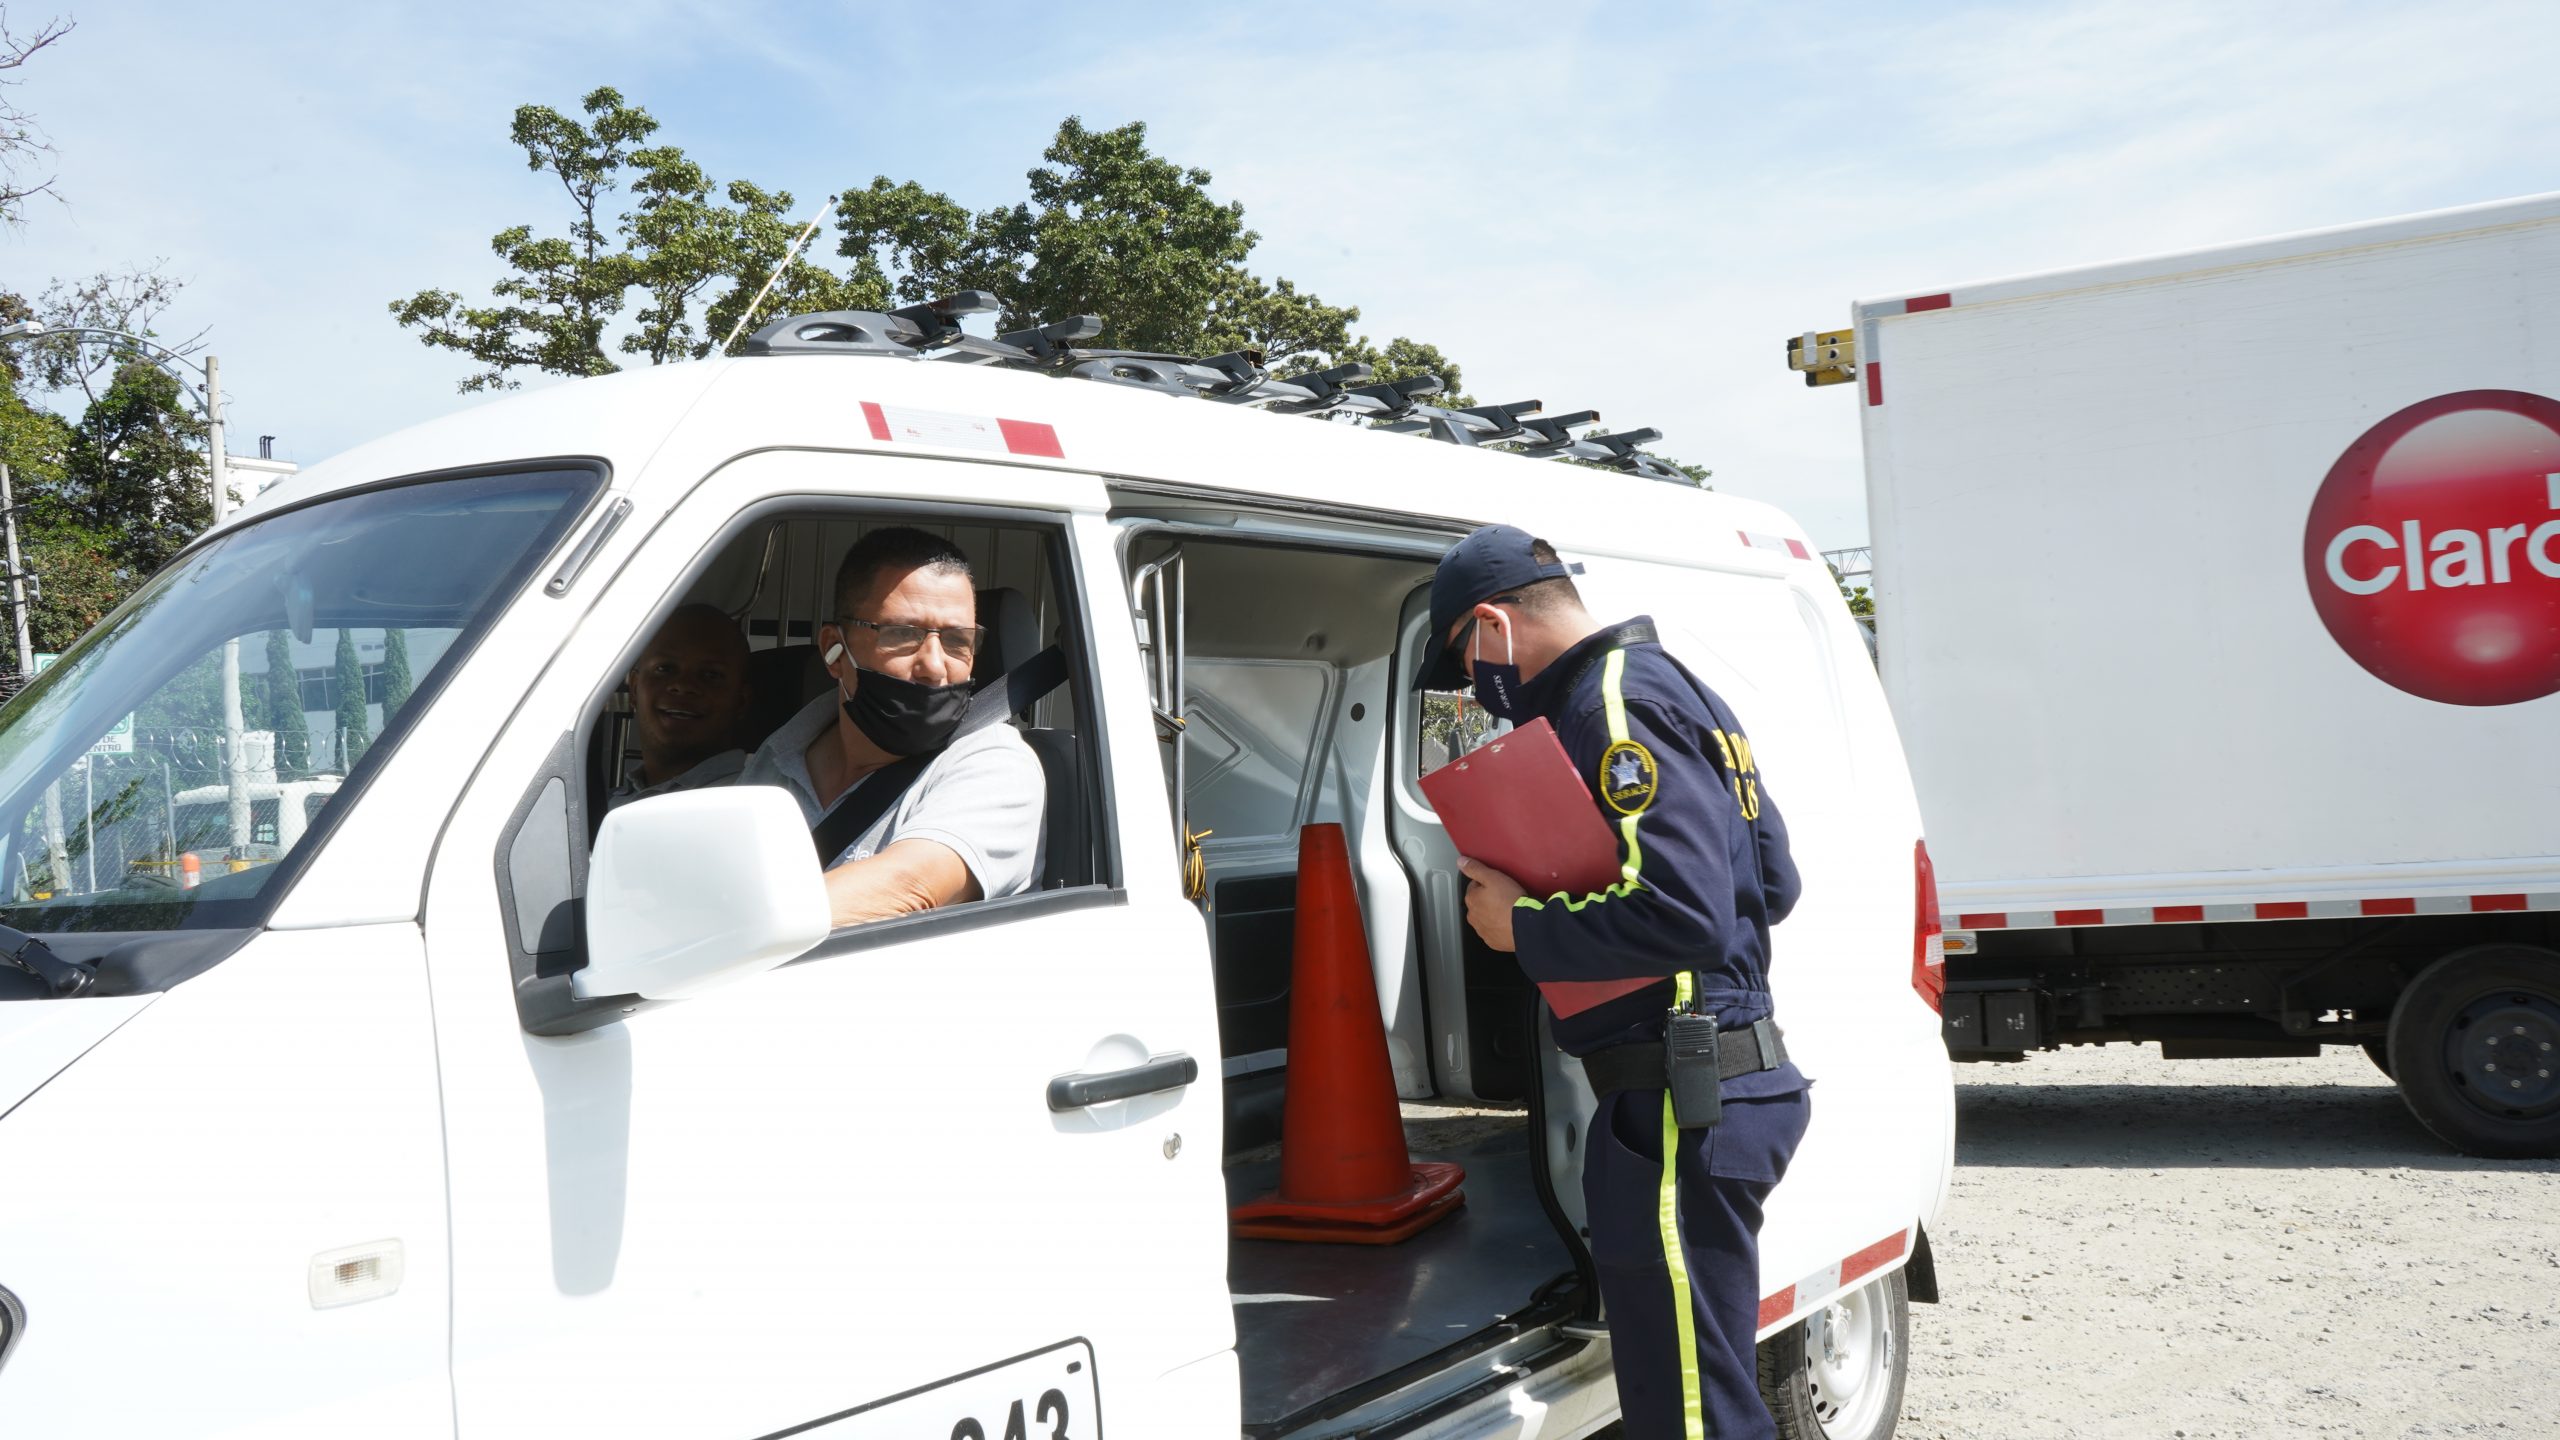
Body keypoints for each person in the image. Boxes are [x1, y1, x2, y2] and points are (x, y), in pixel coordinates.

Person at [1414, 524, 1811, 1440]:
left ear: (1493, 624)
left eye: (1465, 658)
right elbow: (1773, 885)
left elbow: (1686, 914)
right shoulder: (1686, 689)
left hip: (1679, 1096)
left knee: (1689, 1417)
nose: (1475, 683)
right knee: (1700, 1393)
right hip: (1720, 1083)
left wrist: (1524, 925)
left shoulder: (1612, 703)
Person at [738, 527, 1044, 928]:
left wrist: (713, 930)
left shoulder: (998, 765)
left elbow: (911, 888)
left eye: (957, 640)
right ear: (834, 650)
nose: (934, 666)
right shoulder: (775, 759)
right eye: (902, 634)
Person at [609, 603, 750, 810]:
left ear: (741, 701)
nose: (683, 686)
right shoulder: (594, 805)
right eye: (665, 668)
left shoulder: (756, 802)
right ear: (635, 690)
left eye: (711, 674)